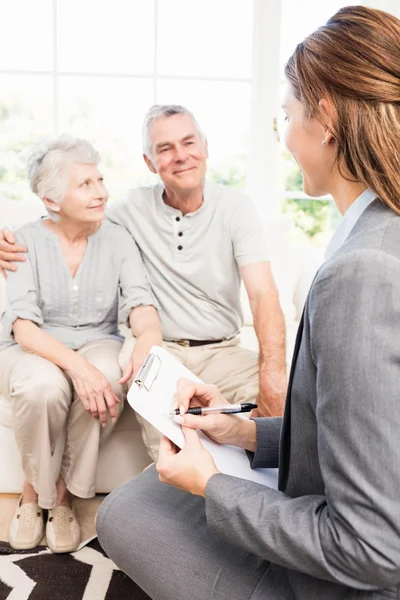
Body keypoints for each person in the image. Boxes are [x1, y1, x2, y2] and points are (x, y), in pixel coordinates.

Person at [95, 6, 400, 599]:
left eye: (286, 114)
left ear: (328, 119)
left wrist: (213, 487)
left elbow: (373, 549)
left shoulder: (359, 273)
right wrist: (246, 436)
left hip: (340, 582)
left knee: (126, 514)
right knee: (144, 495)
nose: (283, 132)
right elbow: (369, 436)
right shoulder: (378, 234)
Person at [0, 105, 288, 460]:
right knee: (159, 403)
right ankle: (175, 494)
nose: (181, 156)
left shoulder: (236, 208)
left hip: (222, 350)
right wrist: (10, 241)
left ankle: (262, 501)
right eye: (165, 148)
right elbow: (70, 212)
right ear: (150, 162)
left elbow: (263, 295)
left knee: (290, 402)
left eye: (188, 142)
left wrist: (274, 378)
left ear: (206, 146)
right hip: (157, 347)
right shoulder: (129, 210)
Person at [0, 136, 162, 553]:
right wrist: (77, 368)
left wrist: (148, 335)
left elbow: (139, 302)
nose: (102, 191)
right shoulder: (22, 241)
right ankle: (35, 496)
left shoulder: (119, 239)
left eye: (100, 179)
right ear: (52, 200)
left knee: (109, 376)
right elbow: (24, 329)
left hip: (98, 340)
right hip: (33, 345)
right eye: (85, 184)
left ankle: (63, 495)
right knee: (41, 387)